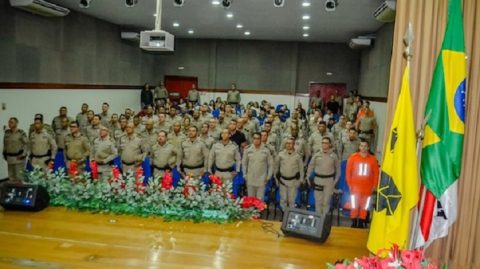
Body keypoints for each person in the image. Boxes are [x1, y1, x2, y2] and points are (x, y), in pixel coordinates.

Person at [345, 140, 379, 228]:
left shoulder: (373, 159)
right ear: (359, 147)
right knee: (354, 204)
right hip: (355, 187)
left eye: (365, 146)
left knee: (365, 205)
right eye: (361, 146)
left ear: (368, 147)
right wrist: (349, 184)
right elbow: (348, 172)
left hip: (367, 188)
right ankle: (354, 221)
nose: (363, 148)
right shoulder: (353, 157)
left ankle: (361, 222)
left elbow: (376, 174)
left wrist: (374, 185)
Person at [306, 137, 340, 215]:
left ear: (330, 144)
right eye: (323, 143)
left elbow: (338, 169)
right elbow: (310, 166)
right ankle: (318, 219)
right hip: (318, 180)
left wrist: (335, 181)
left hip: (329, 181)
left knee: (326, 201)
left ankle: (324, 219)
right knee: (318, 201)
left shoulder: (334, 156)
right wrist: (308, 177)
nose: (324, 145)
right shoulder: (316, 155)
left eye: (326, 143)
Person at [275, 137, 304, 210]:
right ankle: (284, 214)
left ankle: (290, 216)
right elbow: (276, 167)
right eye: (287, 143)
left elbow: (301, 169)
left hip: (293, 181)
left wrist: (301, 180)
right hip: (283, 180)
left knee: (292, 200)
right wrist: (276, 179)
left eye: (290, 143)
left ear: (294, 144)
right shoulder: (280, 155)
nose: (288, 145)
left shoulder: (297, 156)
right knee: (283, 199)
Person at [242, 132, 274, 200]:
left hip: (261, 179)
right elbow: (244, 163)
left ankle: (259, 211)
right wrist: (245, 175)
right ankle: (251, 211)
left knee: (259, 201)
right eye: (254, 138)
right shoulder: (247, 149)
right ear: (252, 139)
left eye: (258, 138)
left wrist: (268, 177)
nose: (256, 140)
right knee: (250, 200)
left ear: (261, 139)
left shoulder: (266, 150)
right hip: (250, 178)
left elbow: (270, 165)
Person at [3, 117, 28, 181]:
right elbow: (5, 144)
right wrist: (4, 153)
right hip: (10, 159)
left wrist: (23, 154)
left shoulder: (21, 133)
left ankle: (20, 191)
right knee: (11, 177)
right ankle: (12, 190)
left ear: (16, 123)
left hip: (18, 158)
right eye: (9, 122)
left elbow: (27, 144)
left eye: (11, 122)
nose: (9, 124)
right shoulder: (7, 133)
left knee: (19, 177)